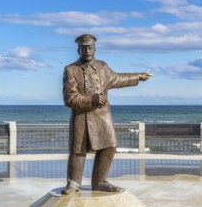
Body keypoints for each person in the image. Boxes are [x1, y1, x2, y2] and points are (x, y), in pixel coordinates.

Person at [61, 34, 152, 194]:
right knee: (78, 150)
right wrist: (92, 98)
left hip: (102, 116)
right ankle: (74, 183)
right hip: (81, 117)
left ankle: (100, 181)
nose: (87, 50)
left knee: (110, 145)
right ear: (78, 50)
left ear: (95, 49)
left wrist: (137, 76)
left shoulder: (102, 67)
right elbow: (69, 99)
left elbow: (118, 79)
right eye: (84, 48)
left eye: (90, 47)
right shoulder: (71, 70)